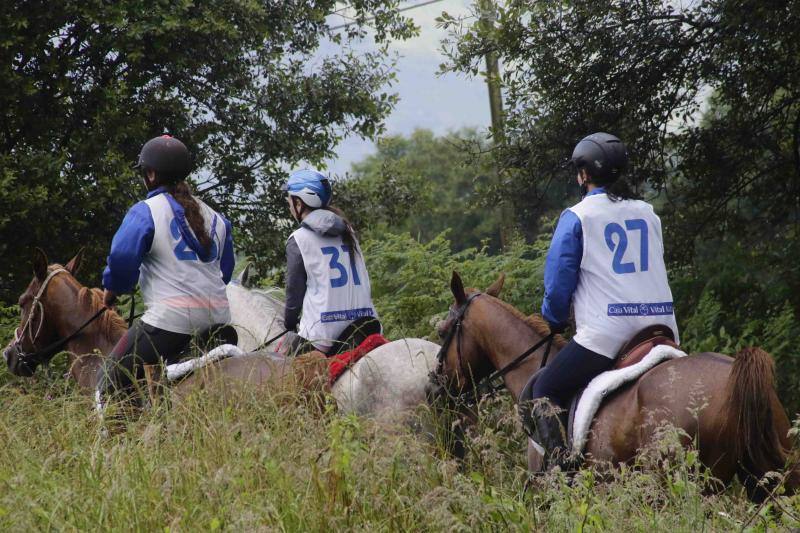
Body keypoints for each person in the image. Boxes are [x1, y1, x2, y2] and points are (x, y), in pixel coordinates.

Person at [531, 132, 679, 468]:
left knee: (545, 390)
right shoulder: (648, 213)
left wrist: (553, 319)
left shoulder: (578, 216)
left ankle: (561, 475)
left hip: (607, 333)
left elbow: (557, 285)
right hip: (661, 327)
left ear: (584, 174)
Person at [97, 135, 235, 404]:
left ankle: (125, 438)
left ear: (150, 174)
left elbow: (122, 260)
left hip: (169, 325)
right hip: (219, 319)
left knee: (108, 380)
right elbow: (225, 272)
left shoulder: (145, 212)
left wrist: (112, 292)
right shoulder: (217, 218)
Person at [282, 169, 381, 357]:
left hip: (322, 335)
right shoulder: (348, 230)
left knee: (285, 379)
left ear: (299, 202)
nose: (289, 206)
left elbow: (294, 292)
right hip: (366, 324)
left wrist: (289, 323)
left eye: (290, 201)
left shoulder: (299, 239)